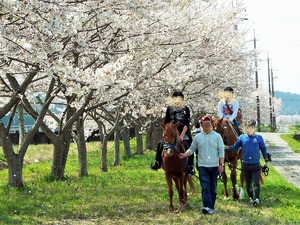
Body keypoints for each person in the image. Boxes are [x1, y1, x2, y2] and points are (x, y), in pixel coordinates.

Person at [179, 115, 225, 214]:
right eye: (205, 124)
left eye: (209, 123)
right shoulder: (198, 137)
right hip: (202, 166)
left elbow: (221, 151)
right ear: (201, 125)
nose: (207, 125)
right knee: (205, 187)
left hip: (214, 166)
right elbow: (192, 149)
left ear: (212, 124)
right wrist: (184, 155)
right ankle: (207, 206)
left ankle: (211, 207)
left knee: (213, 188)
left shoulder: (217, 136)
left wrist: (221, 164)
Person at [225, 120, 269, 206]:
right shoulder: (241, 137)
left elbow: (263, 149)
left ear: (254, 128)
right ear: (245, 128)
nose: (249, 129)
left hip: (255, 164)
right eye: (248, 127)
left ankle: (256, 199)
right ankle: (251, 198)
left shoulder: (259, 138)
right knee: (248, 183)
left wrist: (266, 161)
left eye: (251, 127)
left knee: (256, 182)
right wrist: (226, 147)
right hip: (245, 165)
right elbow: (235, 147)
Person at [150, 91, 194, 172]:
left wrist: (181, 135)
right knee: (160, 143)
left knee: (190, 144)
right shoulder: (169, 109)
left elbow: (187, 124)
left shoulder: (186, 109)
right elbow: (166, 122)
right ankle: (157, 162)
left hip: (183, 132)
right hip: (171, 132)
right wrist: (166, 133)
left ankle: (190, 165)